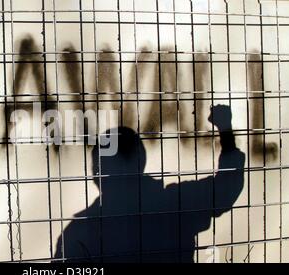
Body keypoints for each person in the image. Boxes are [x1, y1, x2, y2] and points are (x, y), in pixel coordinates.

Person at [54, 105, 245, 262]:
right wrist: (225, 130)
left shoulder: (80, 233)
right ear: (139, 163)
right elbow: (225, 189)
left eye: (97, 166)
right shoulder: (174, 204)